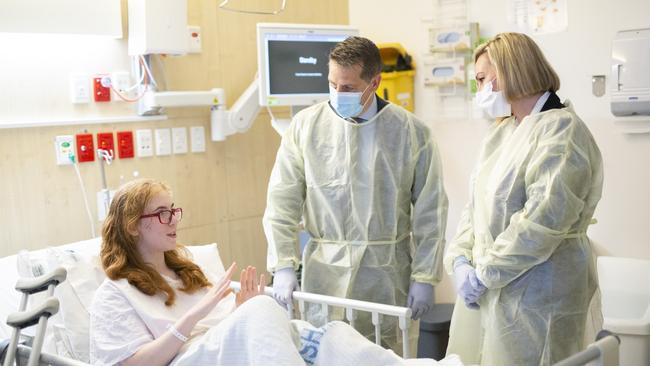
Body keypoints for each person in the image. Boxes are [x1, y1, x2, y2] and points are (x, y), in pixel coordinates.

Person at [89, 178, 447, 366]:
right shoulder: (115, 293)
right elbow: (134, 364)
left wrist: (240, 312)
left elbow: (229, 331)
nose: (174, 221)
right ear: (134, 225)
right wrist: (192, 318)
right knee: (264, 309)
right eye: (162, 213)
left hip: (229, 353)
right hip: (189, 359)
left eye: (174, 210)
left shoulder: (188, 272)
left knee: (328, 335)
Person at [263, 36, 449, 353]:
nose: (337, 93)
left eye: (347, 87)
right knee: (323, 352)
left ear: (374, 82)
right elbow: (282, 202)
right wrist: (283, 266)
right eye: (332, 84)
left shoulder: (410, 132)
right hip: (324, 276)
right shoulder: (305, 127)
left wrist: (425, 277)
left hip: (385, 276)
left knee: (384, 354)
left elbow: (431, 212)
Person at [444, 32, 604, 365]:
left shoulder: (562, 132)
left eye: (482, 79)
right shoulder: (502, 131)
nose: (479, 90)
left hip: (541, 296)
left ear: (508, 71)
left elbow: (541, 223)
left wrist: (485, 274)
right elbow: (477, 205)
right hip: (496, 292)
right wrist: (459, 259)